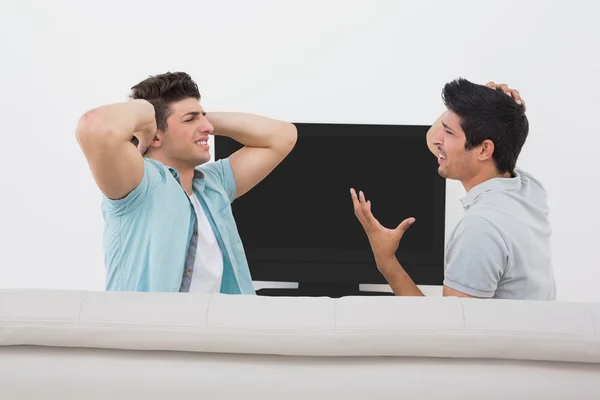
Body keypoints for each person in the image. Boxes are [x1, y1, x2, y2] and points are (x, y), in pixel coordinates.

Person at [76, 71, 297, 294]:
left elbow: (283, 136)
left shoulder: (214, 184)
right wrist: (149, 113)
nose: (208, 129)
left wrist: (198, 119)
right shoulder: (138, 182)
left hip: (216, 326)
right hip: (148, 327)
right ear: (154, 135)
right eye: (190, 119)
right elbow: (95, 127)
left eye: (204, 117)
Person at [350, 78, 555, 300]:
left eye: (448, 132)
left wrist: (386, 260)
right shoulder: (527, 189)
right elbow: (432, 141)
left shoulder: (480, 229)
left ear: (485, 149)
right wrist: (485, 100)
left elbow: (447, 332)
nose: (438, 139)